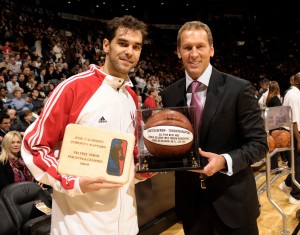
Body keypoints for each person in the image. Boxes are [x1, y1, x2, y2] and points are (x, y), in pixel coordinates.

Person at [21, 15, 155, 235]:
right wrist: (72, 182)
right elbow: (34, 145)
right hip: (80, 225)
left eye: (136, 46)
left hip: (127, 223)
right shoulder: (73, 88)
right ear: (105, 45)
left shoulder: (131, 97)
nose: (129, 52)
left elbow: (123, 156)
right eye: (122, 43)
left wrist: (142, 170)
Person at [161, 21, 268, 235]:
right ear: (178, 52)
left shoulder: (239, 89)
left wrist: (224, 161)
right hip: (191, 206)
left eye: (200, 46)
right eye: (187, 47)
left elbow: (259, 144)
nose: (194, 54)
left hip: (234, 204)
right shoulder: (169, 94)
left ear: (211, 49)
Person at [279, 72, 300, 204]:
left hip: (295, 131)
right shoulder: (293, 95)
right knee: (298, 165)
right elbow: (294, 121)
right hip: (295, 132)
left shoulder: (294, 93)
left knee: (297, 164)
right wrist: (299, 139)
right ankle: (295, 195)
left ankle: (287, 184)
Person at [265, 81, 282, 170]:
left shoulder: (269, 97)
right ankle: (274, 167)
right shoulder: (275, 98)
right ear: (277, 88)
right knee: (274, 145)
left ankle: (273, 166)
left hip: (270, 123)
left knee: (272, 145)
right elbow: (279, 112)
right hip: (275, 124)